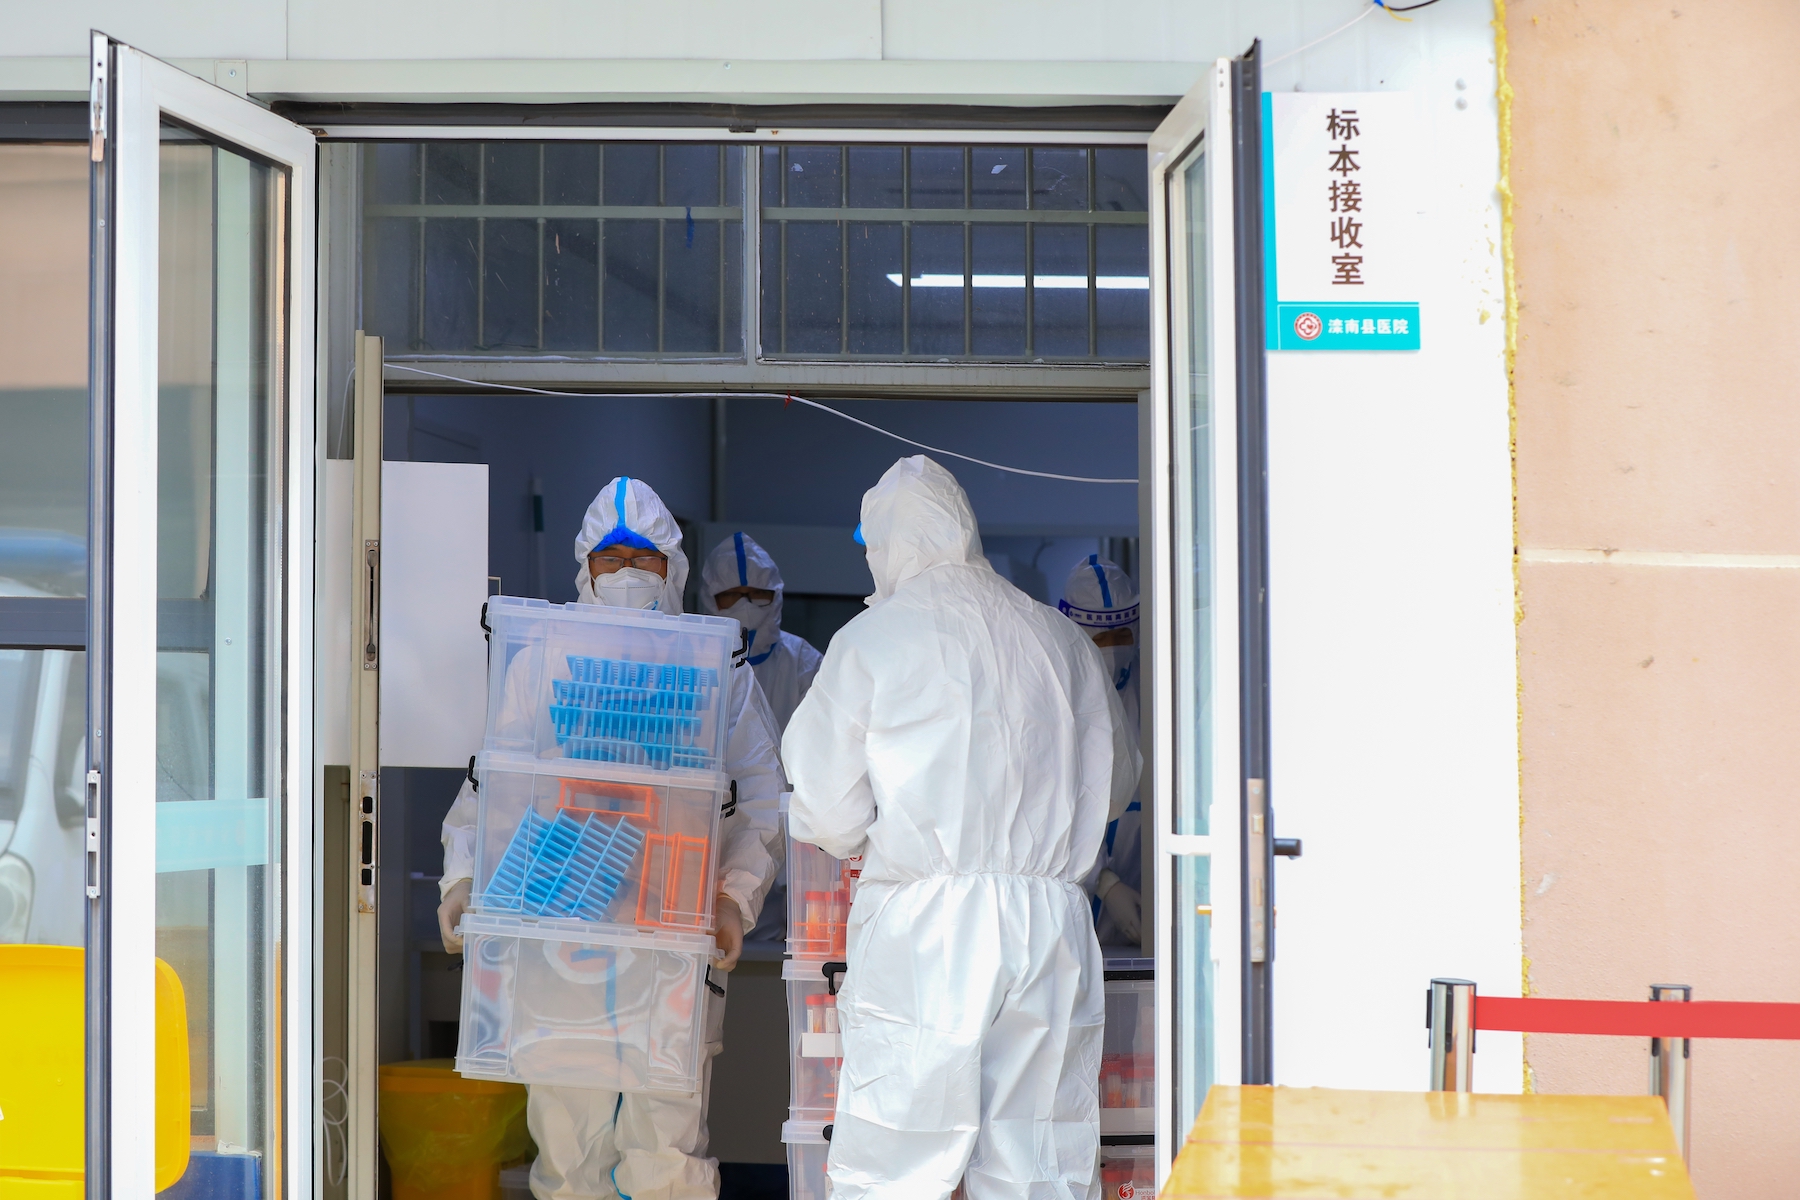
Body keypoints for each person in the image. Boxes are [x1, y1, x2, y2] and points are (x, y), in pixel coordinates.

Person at [782, 456, 1140, 1200]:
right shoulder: (1058, 638)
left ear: (888, 543)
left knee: (896, 1162)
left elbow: (825, 808)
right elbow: (1115, 788)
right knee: (1038, 1161)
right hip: (1051, 929)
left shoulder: (874, 640)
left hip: (928, 930)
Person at [436, 476, 786, 1200]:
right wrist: (462, 877)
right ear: (583, 568)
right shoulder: (542, 658)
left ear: (674, 568)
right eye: (610, 556)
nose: (628, 571)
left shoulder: (717, 665)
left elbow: (762, 798)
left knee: (668, 1148)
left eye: (646, 556)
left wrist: (734, 898)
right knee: (567, 1147)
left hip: (674, 937)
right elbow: (494, 784)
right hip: (564, 931)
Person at [1060, 555, 1144, 946]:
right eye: (1099, 641)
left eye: (1120, 638)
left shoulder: (1160, 699)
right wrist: (1105, 883)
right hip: (1069, 907)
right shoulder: (1053, 702)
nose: (1110, 652)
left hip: (1144, 903)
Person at [697, 531, 823, 734]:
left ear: (775, 595)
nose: (746, 604)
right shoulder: (689, 654)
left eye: (758, 593)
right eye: (732, 595)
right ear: (710, 598)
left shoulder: (802, 661)